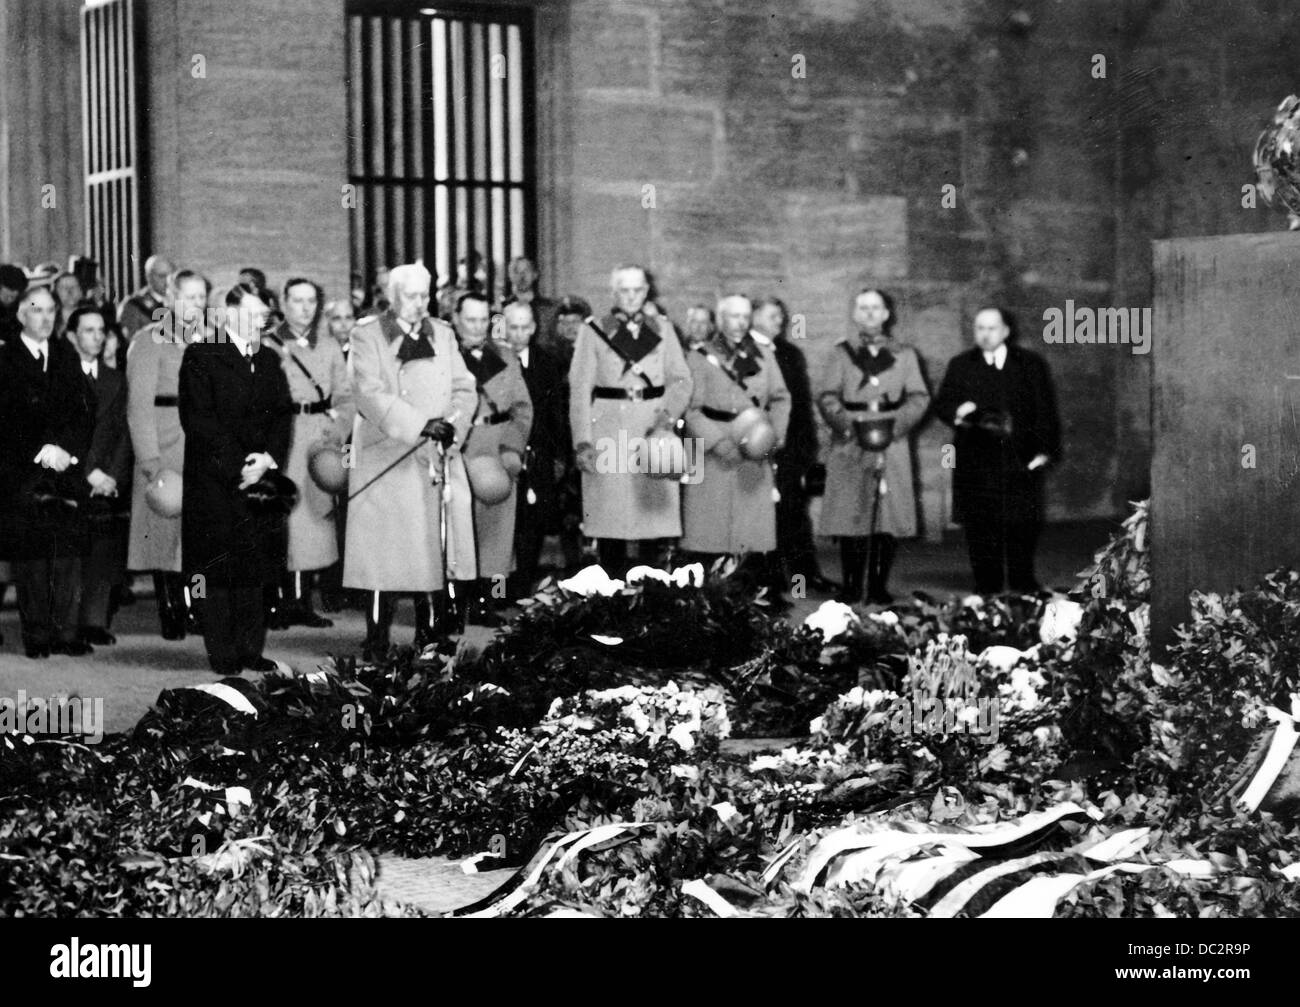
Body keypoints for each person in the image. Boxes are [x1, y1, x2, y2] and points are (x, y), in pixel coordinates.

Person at [344, 262, 478, 657]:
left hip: (435, 454)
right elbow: (367, 391)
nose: (420, 304)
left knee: (431, 545)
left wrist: (452, 424)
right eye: (411, 296)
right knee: (381, 551)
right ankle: (375, 635)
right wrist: (420, 423)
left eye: (425, 295)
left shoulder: (444, 333)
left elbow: (464, 387)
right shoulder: (367, 334)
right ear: (393, 296)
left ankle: (430, 631)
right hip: (387, 449)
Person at [178, 284, 292, 674]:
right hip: (215, 483)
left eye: (265, 313)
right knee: (217, 570)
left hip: (258, 481)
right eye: (256, 312)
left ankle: (250, 648)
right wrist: (239, 466)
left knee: (255, 568)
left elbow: (281, 416)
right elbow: (198, 420)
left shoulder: (270, 359)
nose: (264, 319)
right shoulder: (202, 355)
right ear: (230, 313)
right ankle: (222, 651)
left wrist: (268, 460)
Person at [569, 264, 692, 577]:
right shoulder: (593, 330)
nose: (632, 296)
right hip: (608, 427)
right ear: (614, 293)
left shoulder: (663, 329)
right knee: (610, 516)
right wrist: (582, 441)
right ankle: (611, 592)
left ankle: (649, 593)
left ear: (647, 291)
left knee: (652, 515)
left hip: (652, 427)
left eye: (638, 290)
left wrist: (667, 417)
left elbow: (681, 380)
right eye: (625, 290)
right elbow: (580, 389)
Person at [934, 307, 1061, 595]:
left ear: (1006, 331)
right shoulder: (960, 364)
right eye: (980, 328)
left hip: (1020, 457)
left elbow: (1045, 410)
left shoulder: (1030, 364)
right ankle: (986, 583)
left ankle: (1022, 580)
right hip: (975, 458)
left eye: (992, 328)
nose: (985, 334)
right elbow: (942, 404)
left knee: (1021, 524)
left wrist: (1043, 451)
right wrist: (958, 411)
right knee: (980, 525)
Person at [816, 288, 930, 605]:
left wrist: (897, 425)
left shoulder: (905, 354)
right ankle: (851, 585)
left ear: (886, 315)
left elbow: (919, 397)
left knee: (887, 518)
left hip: (891, 438)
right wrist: (848, 425)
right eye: (862, 307)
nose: (869, 313)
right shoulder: (841, 353)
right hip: (851, 439)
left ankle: (878, 585)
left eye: (875, 308)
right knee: (850, 513)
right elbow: (827, 396)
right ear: (855, 314)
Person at [0, 286, 93, 657]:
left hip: (62, 468)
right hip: (24, 472)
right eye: (38, 310)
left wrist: (64, 449)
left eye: (52, 310)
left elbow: (83, 410)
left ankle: (66, 633)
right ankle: (37, 636)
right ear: (22, 314)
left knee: (68, 555)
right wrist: (40, 450)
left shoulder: (65, 355)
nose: (46, 317)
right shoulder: (6, 359)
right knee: (32, 559)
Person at [681, 294, 791, 588]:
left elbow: (781, 399)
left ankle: (750, 596)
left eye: (745, 316)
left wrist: (772, 437)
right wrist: (717, 442)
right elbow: (690, 409)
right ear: (720, 319)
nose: (740, 322)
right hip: (711, 452)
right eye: (733, 316)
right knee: (709, 531)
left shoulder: (764, 356)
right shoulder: (699, 357)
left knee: (751, 532)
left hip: (753, 450)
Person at [265, 278, 355, 629]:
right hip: (283, 433)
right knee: (282, 517)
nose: (304, 308)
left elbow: (346, 397)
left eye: (310, 301)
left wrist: (337, 432)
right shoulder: (270, 343)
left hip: (318, 435)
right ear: (284, 303)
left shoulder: (330, 346)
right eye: (297, 301)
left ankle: (301, 602)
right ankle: (278, 602)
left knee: (314, 518)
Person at [127, 269, 208, 639]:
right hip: (164, 441)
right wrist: (148, 459)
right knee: (163, 530)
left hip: (201, 444)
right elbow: (138, 406)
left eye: (201, 297)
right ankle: (171, 610)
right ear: (169, 299)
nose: (196, 304)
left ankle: (196, 606)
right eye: (188, 296)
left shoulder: (211, 338)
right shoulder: (148, 341)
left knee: (197, 533)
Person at [454, 292, 533, 625]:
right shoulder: (444, 358)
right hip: (461, 446)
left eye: (483, 320)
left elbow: (523, 409)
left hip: (498, 446)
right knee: (459, 529)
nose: (477, 326)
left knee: (500, 536)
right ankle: (456, 603)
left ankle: (493, 601)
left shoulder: (505, 356)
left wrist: (512, 448)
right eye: (470, 320)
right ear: (456, 319)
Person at [753, 296, 836, 594]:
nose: (781, 321)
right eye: (773, 315)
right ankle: (769, 580)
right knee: (761, 513)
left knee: (794, 511)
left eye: (781, 315)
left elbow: (801, 404)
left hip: (791, 448)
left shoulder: (790, 353)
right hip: (756, 446)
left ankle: (805, 576)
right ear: (754, 317)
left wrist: (808, 446)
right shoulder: (742, 352)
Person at [68, 304, 131, 646]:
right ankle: (69, 623)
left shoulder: (115, 379)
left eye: (100, 331)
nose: (96, 337)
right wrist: (88, 473)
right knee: (72, 553)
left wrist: (111, 476)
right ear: (72, 336)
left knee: (103, 551)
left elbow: (123, 433)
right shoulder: (60, 377)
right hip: (73, 476)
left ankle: (94, 621)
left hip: (106, 479)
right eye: (88, 330)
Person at [498, 301, 566, 599]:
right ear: (504, 327)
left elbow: (556, 414)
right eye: (513, 327)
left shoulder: (547, 362)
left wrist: (560, 455)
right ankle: (498, 591)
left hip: (538, 451)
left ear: (535, 328)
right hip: (501, 449)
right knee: (502, 524)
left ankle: (523, 586)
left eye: (525, 327)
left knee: (532, 524)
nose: (519, 334)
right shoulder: (492, 360)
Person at [318, 297, 359, 611]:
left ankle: (354, 584)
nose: (344, 324)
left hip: (358, 440)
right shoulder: (322, 353)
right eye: (337, 318)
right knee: (331, 509)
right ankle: (331, 586)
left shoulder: (363, 351)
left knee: (354, 509)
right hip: (331, 439)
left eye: (349, 317)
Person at [502, 257, 557, 349]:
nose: (522, 276)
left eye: (526, 271)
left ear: (535, 274)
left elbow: (554, 341)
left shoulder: (549, 308)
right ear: (510, 276)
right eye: (516, 271)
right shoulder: (501, 309)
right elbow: (498, 341)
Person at [117, 254, 174, 342]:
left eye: (171, 275)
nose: (167, 281)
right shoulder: (133, 305)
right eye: (162, 276)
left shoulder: (179, 301)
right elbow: (133, 341)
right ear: (148, 277)